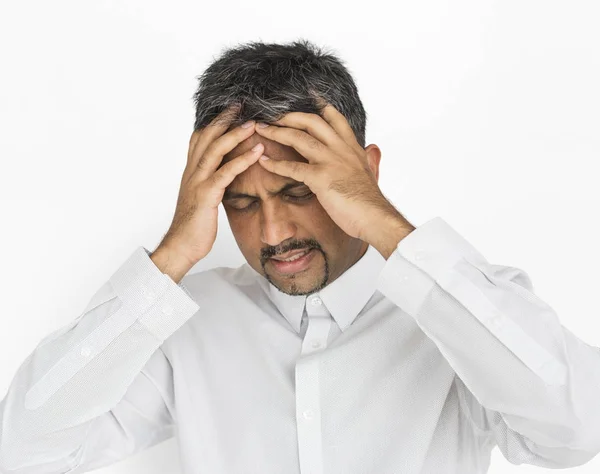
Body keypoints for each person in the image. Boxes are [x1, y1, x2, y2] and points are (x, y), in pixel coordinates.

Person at [0, 39, 599, 474]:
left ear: (365, 172)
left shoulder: (464, 311)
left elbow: (575, 433)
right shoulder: (190, 322)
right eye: (238, 202)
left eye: (299, 191)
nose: (272, 232)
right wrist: (173, 255)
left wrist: (390, 226)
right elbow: (24, 449)